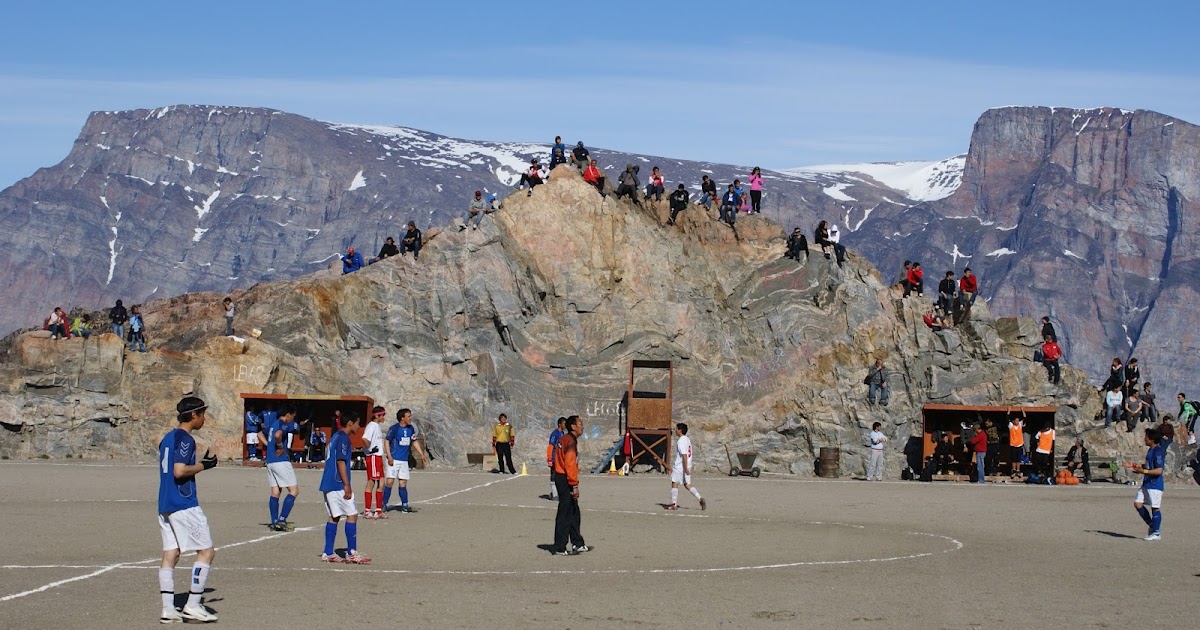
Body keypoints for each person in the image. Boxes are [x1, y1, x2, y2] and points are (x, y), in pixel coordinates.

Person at [156, 396, 219, 623]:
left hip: (164, 504)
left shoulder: (168, 437)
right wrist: (205, 465)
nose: (204, 418)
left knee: (171, 554)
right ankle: (193, 605)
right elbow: (179, 471)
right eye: (203, 414)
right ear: (194, 415)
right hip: (183, 503)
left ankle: (168, 609)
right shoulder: (185, 439)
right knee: (206, 551)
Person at [320, 412, 370, 563]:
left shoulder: (335, 436)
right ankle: (352, 552)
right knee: (352, 514)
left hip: (329, 482)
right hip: (338, 483)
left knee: (334, 516)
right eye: (357, 423)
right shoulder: (343, 438)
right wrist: (347, 484)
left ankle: (328, 552)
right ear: (350, 423)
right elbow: (341, 462)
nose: (359, 426)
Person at [259, 404, 304, 532]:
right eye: (292, 416)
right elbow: (278, 435)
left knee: (275, 492)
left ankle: (274, 521)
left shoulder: (273, 424)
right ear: (288, 414)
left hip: (270, 461)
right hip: (280, 461)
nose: (292, 419)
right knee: (293, 491)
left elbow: (259, 434)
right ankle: (282, 519)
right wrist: (279, 446)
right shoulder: (283, 424)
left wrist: (269, 446)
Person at [551, 415, 588, 555]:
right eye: (580, 423)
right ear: (573, 426)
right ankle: (560, 546)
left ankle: (577, 542)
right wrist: (574, 485)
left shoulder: (565, 439)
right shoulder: (569, 441)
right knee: (565, 512)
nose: (582, 426)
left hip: (562, 476)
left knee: (573, 511)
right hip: (565, 478)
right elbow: (570, 464)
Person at [383, 407, 426, 513]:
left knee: (403, 482)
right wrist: (389, 456)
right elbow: (387, 441)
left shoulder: (411, 428)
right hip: (394, 459)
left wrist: (421, 454)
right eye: (409, 416)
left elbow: (414, 441)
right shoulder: (394, 428)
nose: (410, 418)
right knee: (389, 481)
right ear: (402, 418)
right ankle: (383, 504)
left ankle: (405, 505)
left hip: (404, 460)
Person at [1125, 428, 1165, 541]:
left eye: (1146, 437)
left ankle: (1156, 533)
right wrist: (1133, 465)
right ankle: (1152, 525)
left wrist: (1144, 472)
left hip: (1155, 485)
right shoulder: (1150, 450)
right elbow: (1148, 466)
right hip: (1146, 483)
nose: (1144, 439)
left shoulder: (1158, 452)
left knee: (1155, 508)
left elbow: (1159, 470)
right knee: (1138, 503)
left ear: (1151, 439)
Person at [666, 423, 706, 510]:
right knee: (687, 484)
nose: (675, 430)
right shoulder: (687, 439)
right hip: (687, 464)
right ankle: (699, 498)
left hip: (681, 466)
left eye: (676, 429)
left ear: (680, 430)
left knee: (674, 482)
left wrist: (685, 468)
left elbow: (684, 455)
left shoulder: (681, 441)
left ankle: (674, 503)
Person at [361, 406, 387, 520]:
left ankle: (378, 510)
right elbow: (365, 439)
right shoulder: (371, 426)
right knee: (371, 482)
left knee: (381, 482)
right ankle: (367, 511)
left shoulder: (377, 426)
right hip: (373, 457)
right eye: (383, 415)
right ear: (377, 416)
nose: (384, 417)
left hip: (378, 457)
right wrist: (370, 449)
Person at [545, 417, 567, 500]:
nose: (565, 426)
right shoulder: (555, 434)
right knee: (554, 475)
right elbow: (550, 446)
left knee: (560, 476)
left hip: (561, 459)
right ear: (559, 424)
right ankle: (554, 494)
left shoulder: (563, 434)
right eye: (564, 424)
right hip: (555, 458)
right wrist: (549, 459)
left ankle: (557, 492)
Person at [1008, 412, 1026, 477]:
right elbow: (1007, 419)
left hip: (1019, 444)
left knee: (1018, 458)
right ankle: (1013, 470)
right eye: (1016, 420)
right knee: (1013, 458)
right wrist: (1009, 412)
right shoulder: (1011, 426)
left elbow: (1024, 418)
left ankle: (1018, 470)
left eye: (1018, 420)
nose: (1017, 422)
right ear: (1013, 421)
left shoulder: (1020, 425)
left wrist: (1023, 411)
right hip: (1013, 444)